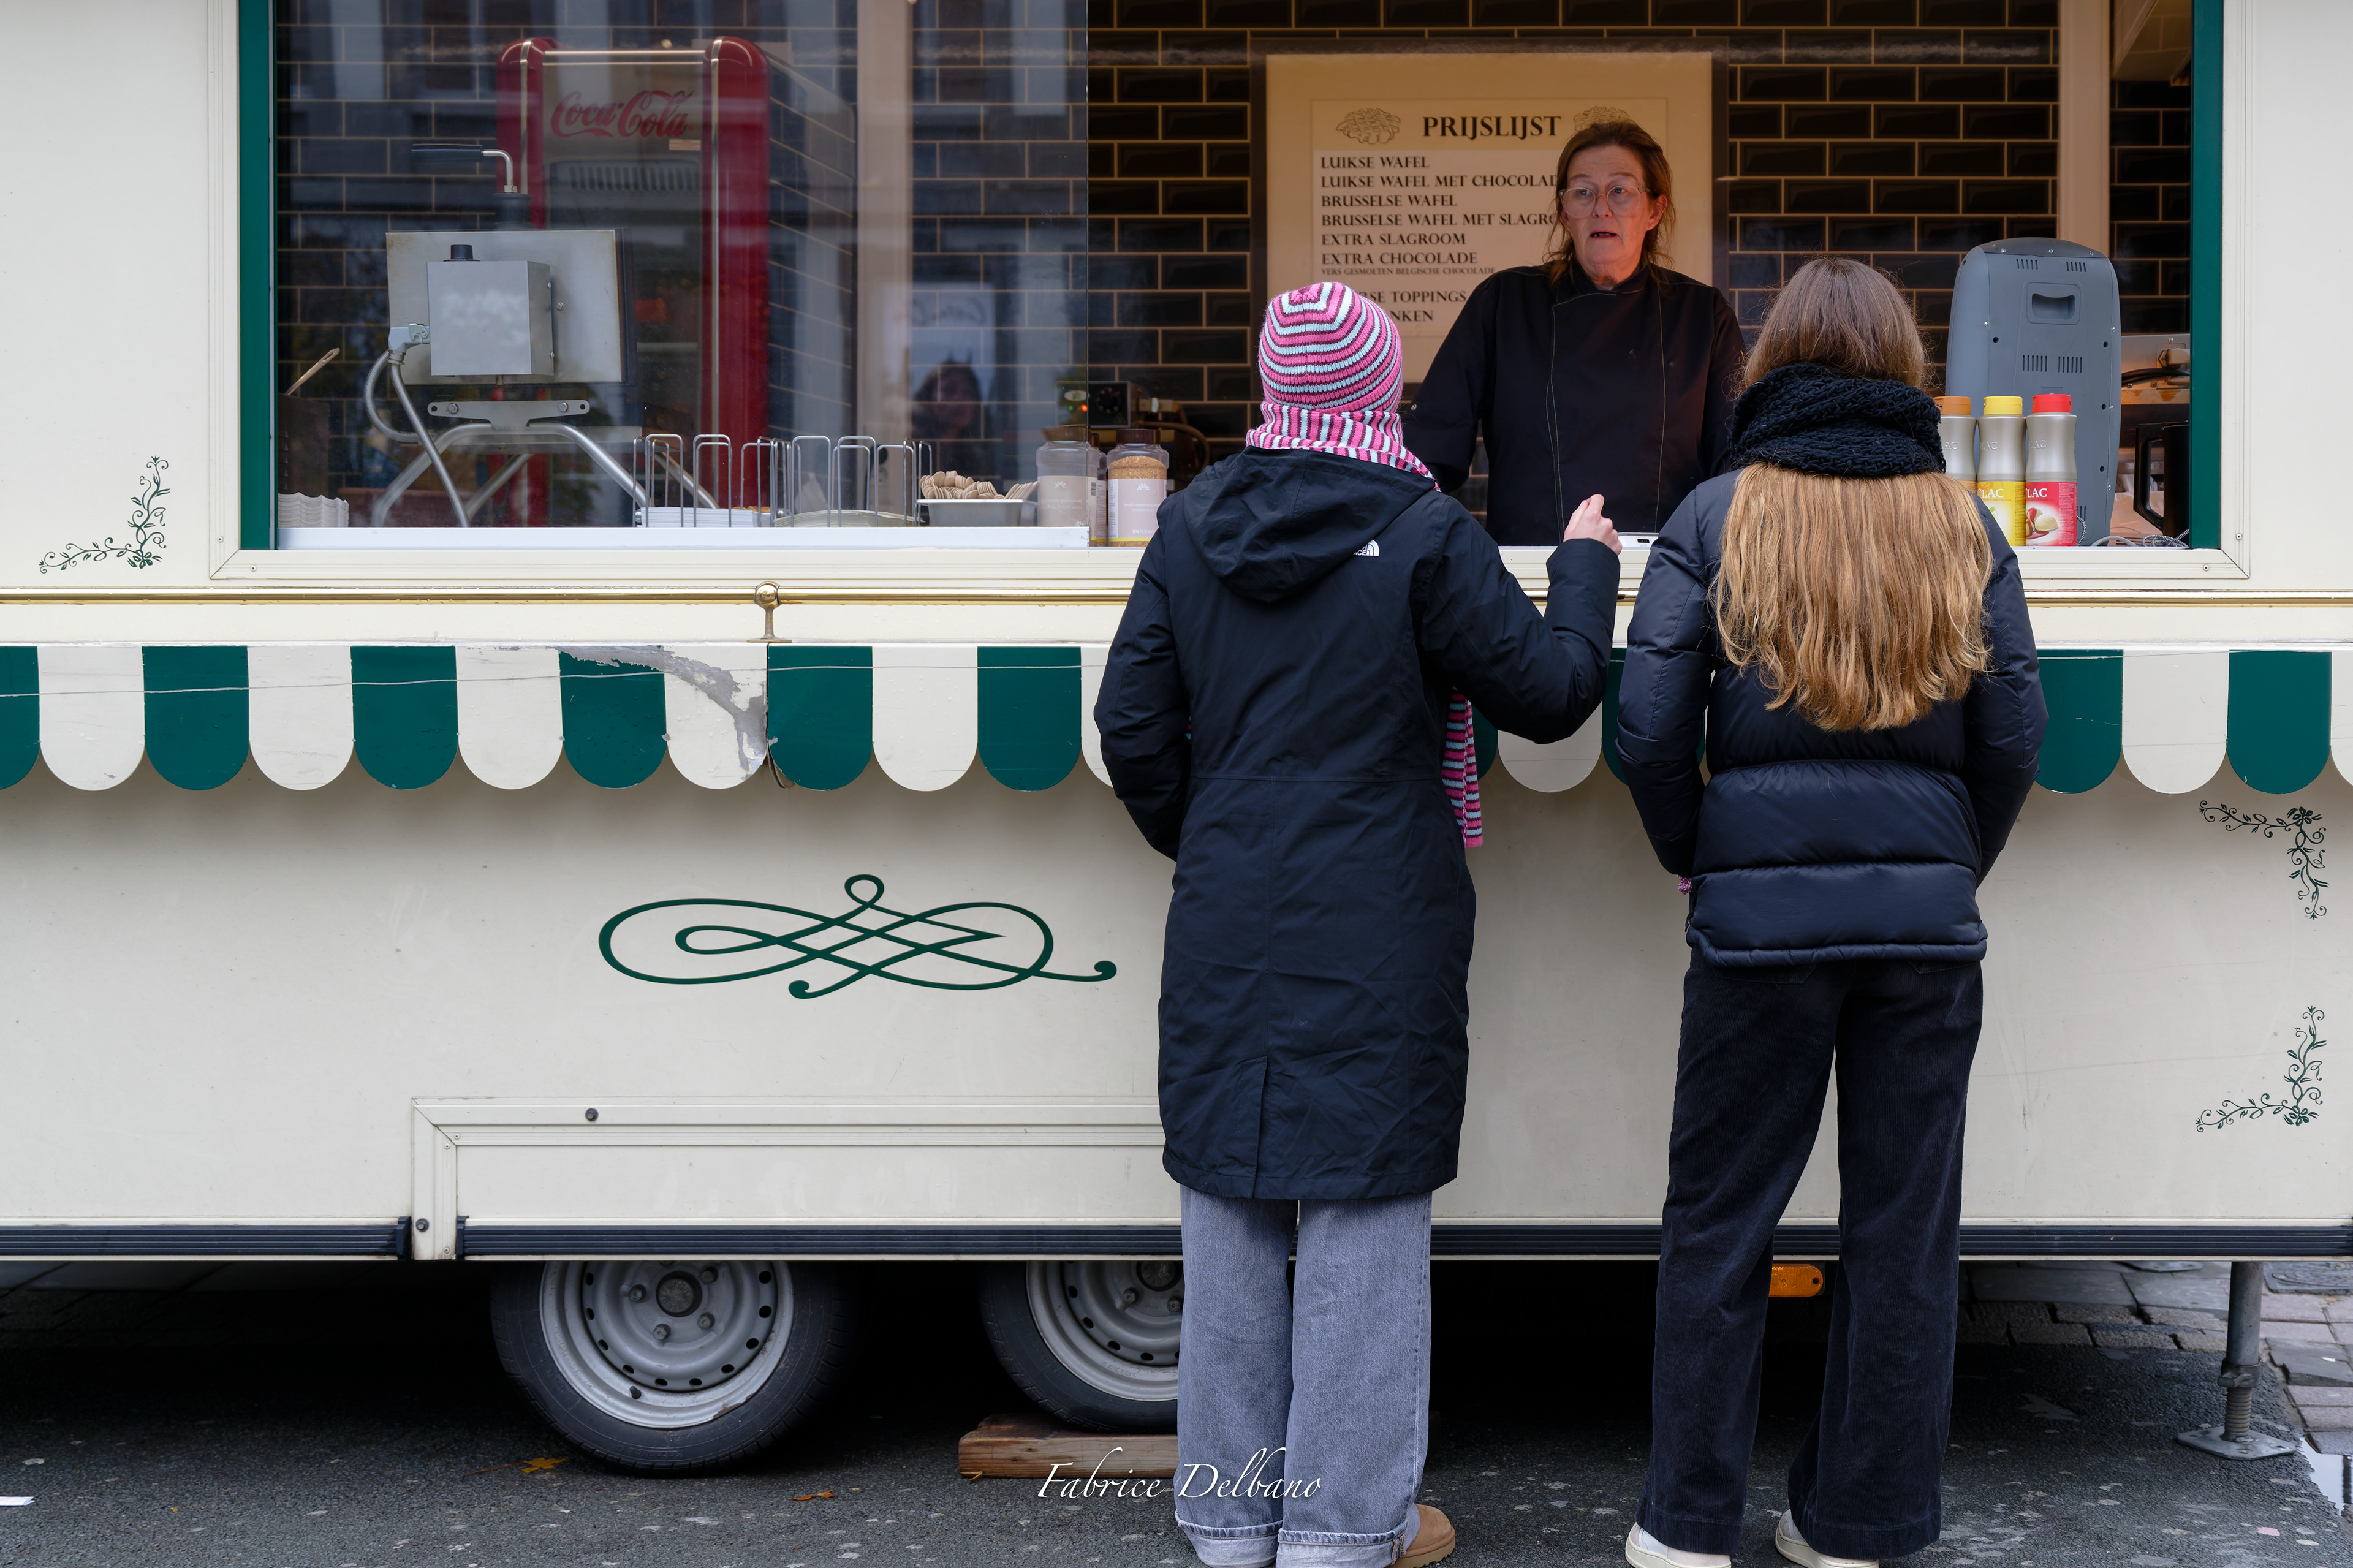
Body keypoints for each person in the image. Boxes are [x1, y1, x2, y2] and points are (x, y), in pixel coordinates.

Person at [1096, 280, 1620, 1568]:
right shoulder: (1424, 528)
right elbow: (1552, 693)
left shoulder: (1188, 524)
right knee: (1365, 1213)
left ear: (1273, 385)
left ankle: (1228, 1520)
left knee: (1228, 1203)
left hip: (1230, 906)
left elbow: (1133, 727)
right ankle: (1338, 1531)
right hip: (1384, 910)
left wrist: (1214, 835)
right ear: (1381, 390)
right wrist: (1585, 565)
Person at [1613, 258, 2047, 1568]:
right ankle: (1857, 1523)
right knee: (1904, 1231)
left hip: (1757, 931)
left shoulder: (1717, 513)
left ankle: (1687, 1525)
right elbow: (2013, 736)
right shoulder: (1963, 525)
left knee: (1719, 1219)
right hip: (1925, 933)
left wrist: (1706, 860)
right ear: (1904, 366)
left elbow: (1649, 732)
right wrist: (1950, 865)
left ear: (1775, 363)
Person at [1404, 119, 1745, 544]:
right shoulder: (1505, 304)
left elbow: (1736, 465)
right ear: (1566, 214)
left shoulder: (1702, 315)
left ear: (1654, 210)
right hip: (1530, 571)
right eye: (1583, 192)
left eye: (1620, 190)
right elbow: (1430, 446)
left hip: (1665, 571)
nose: (1601, 208)